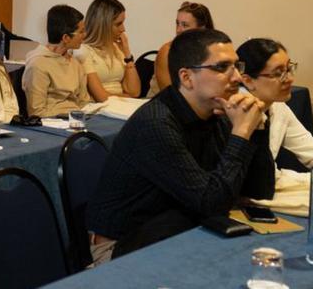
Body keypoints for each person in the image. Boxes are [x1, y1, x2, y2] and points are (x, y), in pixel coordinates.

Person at [87, 29, 265, 263]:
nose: (237, 78)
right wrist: (240, 133)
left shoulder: (217, 112)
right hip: (123, 248)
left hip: (178, 227)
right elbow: (212, 203)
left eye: (236, 66)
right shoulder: (156, 124)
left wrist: (256, 127)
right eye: (222, 67)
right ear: (186, 77)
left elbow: (258, 189)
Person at [237, 38, 313, 192]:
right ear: (248, 80)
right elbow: (257, 179)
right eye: (278, 73)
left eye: (289, 69)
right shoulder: (237, 112)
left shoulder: (278, 107)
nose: (290, 79)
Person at [23, 5, 90, 117]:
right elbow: (36, 112)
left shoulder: (75, 63)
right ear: (66, 38)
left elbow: (84, 102)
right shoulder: (38, 64)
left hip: (76, 119)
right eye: (81, 32)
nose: (85, 35)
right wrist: (71, 115)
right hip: (52, 123)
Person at [75, 0, 140, 102]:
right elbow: (101, 97)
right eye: (118, 24)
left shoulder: (117, 48)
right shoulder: (83, 50)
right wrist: (129, 99)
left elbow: (134, 91)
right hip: (99, 109)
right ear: (103, 25)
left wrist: (127, 53)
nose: (123, 29)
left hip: (122, 106)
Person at [151, 2, 214, 94]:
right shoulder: (167, 51)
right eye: (177, 23)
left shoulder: (212, 51)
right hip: (164, 104)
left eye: (185, 25)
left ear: (201, 29)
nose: (178, 30)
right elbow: (169, 94)